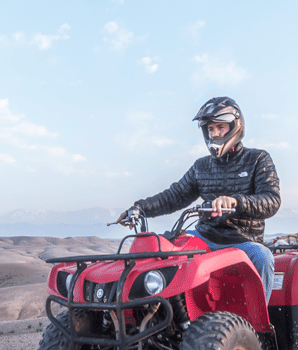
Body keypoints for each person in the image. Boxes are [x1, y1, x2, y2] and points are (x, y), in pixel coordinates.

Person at [116, 96, 281, 304]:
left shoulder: (258, 159)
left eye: (220, 127)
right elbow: (175, 196)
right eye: (210, 129)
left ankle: (257, 330)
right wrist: (141, 208)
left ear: (234, 126)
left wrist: (235, 202)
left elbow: (272, 200)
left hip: (243, 240)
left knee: (263, 258)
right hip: (204, 237)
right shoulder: (201, 166)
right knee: (161, 248)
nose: (215, 133)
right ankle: (159, 312)